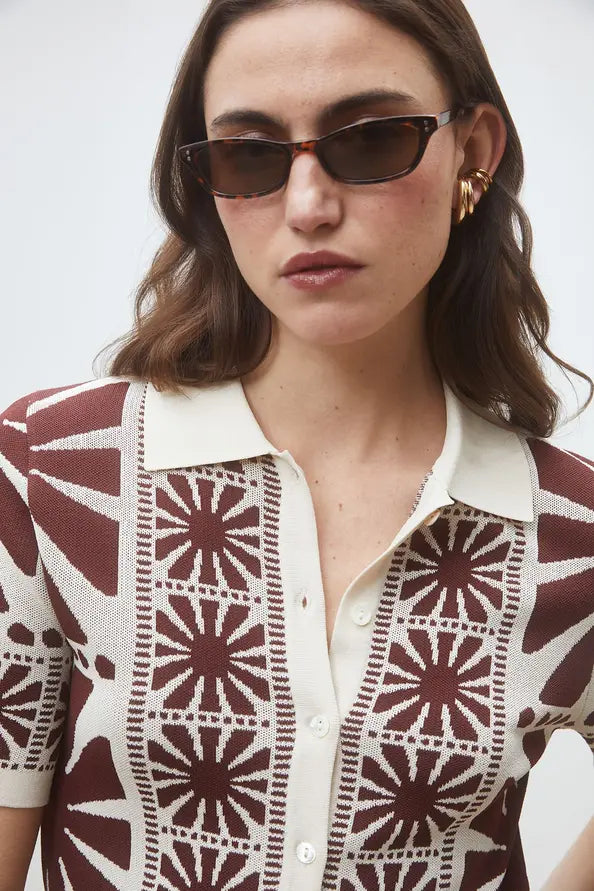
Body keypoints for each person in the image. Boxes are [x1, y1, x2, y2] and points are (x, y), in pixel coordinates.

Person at [0, 0, 592, 888]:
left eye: (369, 139)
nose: (309, 206)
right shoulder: (55, 471)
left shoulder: (571, 528)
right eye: (250, 155)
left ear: (472, 152)